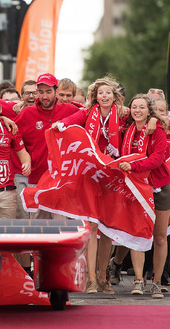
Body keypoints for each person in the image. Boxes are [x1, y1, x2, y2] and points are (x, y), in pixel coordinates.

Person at [55, 76, 127, 295]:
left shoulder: (123, 115)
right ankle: (91, 279)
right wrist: (60, 125)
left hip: (113, 175)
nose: (104, 96)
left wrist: (152, 120)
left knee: (107, 228)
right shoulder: (88, 113)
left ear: (115, 96)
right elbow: (71, 120)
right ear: (95, 96)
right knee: (92, 226)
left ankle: (104, 276)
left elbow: (146, 118)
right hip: (91, 174)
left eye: (108, 93)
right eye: (100, 93)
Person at [118, 94, 170, 299]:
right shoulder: (126, 129)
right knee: (137, 234)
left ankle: (156, 282)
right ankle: (139, 280)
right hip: (135, 188)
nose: (137, 110)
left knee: (159, 237)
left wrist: (134, 166)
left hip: (159, 187)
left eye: (142, 107)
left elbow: (157, 159)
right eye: (134, 107)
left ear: (149, 110)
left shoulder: (157, 130)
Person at [15, 73, 79, 218]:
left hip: (61, 182)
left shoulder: (70, 111)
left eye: (48, 92)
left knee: (61, 231)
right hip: (37, 180)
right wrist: (24, 156)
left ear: (56, 92)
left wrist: (120, 109)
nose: (44, 96)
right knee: (38, 232)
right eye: (41, 92)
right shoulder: (27, 113)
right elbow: (12, 135)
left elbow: (89, 115)